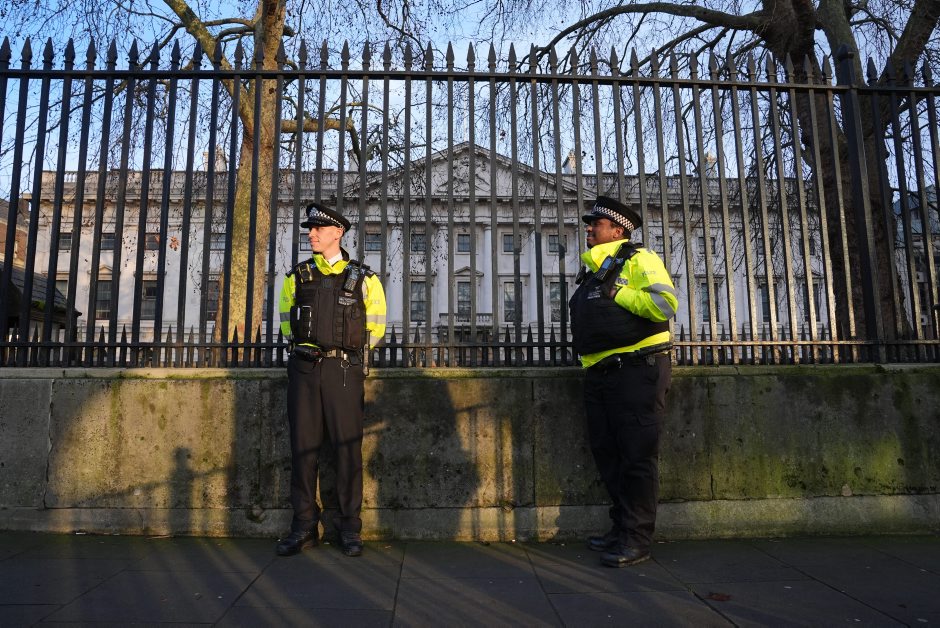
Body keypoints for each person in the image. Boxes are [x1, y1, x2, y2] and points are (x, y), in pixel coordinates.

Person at [568, 195, 678, 568]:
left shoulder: (639, 259)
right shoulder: (592, 270)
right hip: (600, 373)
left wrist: (618, 292)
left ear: (617, 230)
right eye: (589, 224)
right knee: (609, 455)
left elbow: (664, 305)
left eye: (595, 224)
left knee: (637, 456)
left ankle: (637, 538)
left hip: (637, 370)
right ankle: (621, 528)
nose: (588, 229)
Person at [276, 201, 386, 558]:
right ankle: (303, 526)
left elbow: (376, 326)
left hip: (343, 371)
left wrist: (345, 353)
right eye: (310, 229)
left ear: (338, 232)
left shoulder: (365, 279)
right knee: (303, 450)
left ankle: (349, 528)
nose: (311, 234)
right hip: (304, 369)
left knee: (347, 451)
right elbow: (286, 322)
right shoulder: (297, 276)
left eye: (318, 229)